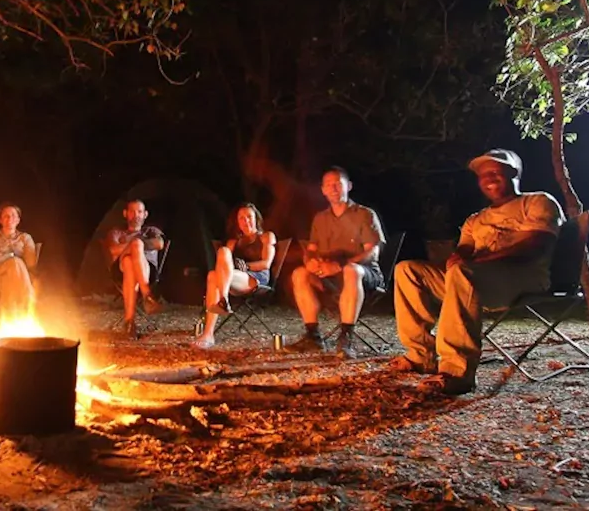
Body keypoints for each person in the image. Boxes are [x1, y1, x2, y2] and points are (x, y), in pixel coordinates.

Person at [391, 149, 565, 396]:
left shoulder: (537, 202)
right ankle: (422, 355)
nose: (489, 179)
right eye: (483, 175)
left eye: (495, 172)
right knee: (407, 270)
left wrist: (477, 259)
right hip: (475, 280)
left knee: (464, 271)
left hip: (522, 278)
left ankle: (456, 371)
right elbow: (462, 254)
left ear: (513, 173)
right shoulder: (476, 219)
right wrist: (454, 258)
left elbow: (536, 245)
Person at [286, 167, 386, 356]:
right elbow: (311, 251)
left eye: (337, 184)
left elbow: (373, 253)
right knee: (300, 273)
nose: (333, 189)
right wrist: (310, 262)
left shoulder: (364, 214)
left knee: (351, 271)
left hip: (364, 275)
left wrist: (339, 266)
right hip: (330, 279)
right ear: (323, 190)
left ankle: (346, 337)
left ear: (348, 186)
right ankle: (313, 336)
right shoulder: (320, 218)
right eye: (328, 185)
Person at [192, 203, 277, 349]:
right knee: (218, 263)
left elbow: (266, 264)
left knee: (215, 276)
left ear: (256, 218)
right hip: (233, 279)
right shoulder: (234, 242)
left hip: (256, 279)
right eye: (242, 218)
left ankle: (219, 310)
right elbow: (224, 263)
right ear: (238, 222)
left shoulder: (266, 237)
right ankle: (217, 314)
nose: (246, 221)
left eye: (249, 217)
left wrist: (246, 266)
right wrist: (232, 268)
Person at [104, 199, 166, 338]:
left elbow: (159, 244)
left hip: (147, 271)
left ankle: (129, 323)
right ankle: (147, 296)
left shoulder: (151, 231)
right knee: (133, 249)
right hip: (119, 272)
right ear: (125, 214)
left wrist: (135, 245)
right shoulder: (117, 232)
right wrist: (134, 245)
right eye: (132, 211)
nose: (136, 215)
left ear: (145, 214)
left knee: (128, 260)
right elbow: (113, 250)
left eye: (139, 212)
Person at [0, 203, 39, 311]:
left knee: (10, 279)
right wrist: (12, 257)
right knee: (15, 262)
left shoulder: (25, 238)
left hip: (18, 277)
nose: (10, 219)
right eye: (6, 216)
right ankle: (28, 301)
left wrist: (4, 258)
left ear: (18, 220)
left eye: (13, 215)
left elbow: (31, 263)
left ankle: (8, 317)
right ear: (0, 220)